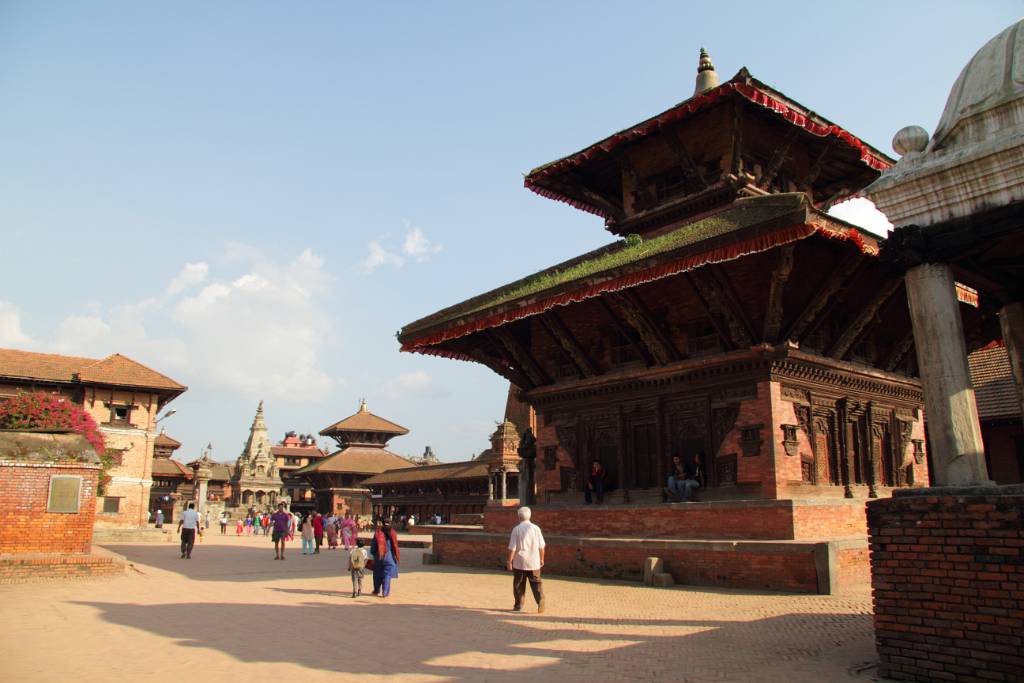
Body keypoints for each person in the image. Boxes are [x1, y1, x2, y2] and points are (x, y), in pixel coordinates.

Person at [507, 506, 546, 613]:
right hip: (534, 560)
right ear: (530, 516)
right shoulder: (536, 528)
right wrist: (542, 558)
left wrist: (509, 561)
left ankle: (518, 605)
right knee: (536, 582)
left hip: (519, 561)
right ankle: (540, 599)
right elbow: (542, 546)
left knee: (519, 584)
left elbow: (512, 548)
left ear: (519, 517)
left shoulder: (516, 529)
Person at [371, 518, 400, 598]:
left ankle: (376, 590)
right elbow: (395, 545)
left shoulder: (378, 533)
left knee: (377, 574)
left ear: (382, 523)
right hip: (389, 557)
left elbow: (373, 546)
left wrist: (373, 553)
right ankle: (385, 592)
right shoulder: (393, 532)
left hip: (379, 556)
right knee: (387, 575)